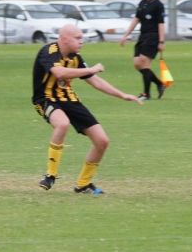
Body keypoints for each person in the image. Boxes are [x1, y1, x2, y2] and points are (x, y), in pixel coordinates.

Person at [33, 24, 143, 195]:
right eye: (77, 38)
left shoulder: (75, 57)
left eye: (82, 37)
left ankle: (83, 184)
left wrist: (122, 95)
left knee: (102, 141)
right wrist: (91, 69)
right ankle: (50, 175)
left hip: (69, 99)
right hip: (45, 99)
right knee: (62, 124)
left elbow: (95, 81)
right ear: (63, 39)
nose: (81, 41)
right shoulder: (48, 52)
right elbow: (60, 73)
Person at [119, 0, 166, 101]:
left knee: (145, 62)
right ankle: (159, 83)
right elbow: (136, 19)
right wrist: (126, 35)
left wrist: (161, 41)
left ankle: (146, 94)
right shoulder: (142, 3)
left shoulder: (158, 5)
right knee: (137, 64)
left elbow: (161, 24)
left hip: (153, 37)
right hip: (143, 36)